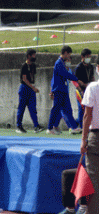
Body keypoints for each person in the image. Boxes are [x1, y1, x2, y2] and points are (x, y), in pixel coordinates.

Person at [47, 45, 83, 135]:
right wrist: (76, 79)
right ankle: (50, 128)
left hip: (63, 90)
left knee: (68, 109)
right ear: (65, 53)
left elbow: (66, 74)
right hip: (58, 90)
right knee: (56, 109)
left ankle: (74, 127)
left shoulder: (62, 63)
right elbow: (65, 74)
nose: (69, 56)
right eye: (69, 54)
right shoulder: (58, 63)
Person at [80, 61, 99, 214]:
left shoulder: (92, 88)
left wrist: (83, 139)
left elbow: (87, 115)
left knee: (93, 178)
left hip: (96, 137)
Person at [16, 49, 44, 134]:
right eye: (33, 55)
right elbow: (24, 79)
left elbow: (32, 77)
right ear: (29, 56)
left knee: (33, 108)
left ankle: (36, 126)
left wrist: (33, 87)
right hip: (24, 88)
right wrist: (33, 87)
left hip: (31, 89)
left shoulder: (33, 66)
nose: (34, 57)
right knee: (21, 108)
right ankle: (18, 126)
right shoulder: (24, 66)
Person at [74, 48, 94, 128]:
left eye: (89, 56)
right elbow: (76, 80)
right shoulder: (79, 67)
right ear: (82, 57)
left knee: (88, 108)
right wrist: (83, 87)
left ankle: (78, 124)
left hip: (88, 89)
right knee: (81, 108)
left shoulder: (91, 66)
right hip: (81, 90)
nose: (88, 58)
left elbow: (92, 77)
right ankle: (81, 126)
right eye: (87, 56)